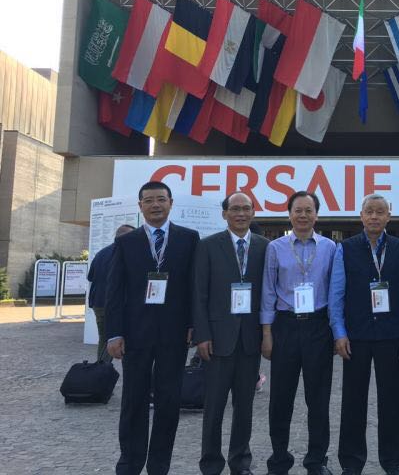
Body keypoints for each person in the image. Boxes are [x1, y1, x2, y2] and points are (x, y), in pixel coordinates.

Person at [106, 181, 200, 475]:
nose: (155, 205)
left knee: (168, 401)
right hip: (135, 334)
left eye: (161, 199)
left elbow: (194, 286)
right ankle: (129, 464)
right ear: (140, 206)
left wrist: (193, 324)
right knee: (133, 399)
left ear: (171, 203)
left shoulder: (189, 239)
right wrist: (114, 333)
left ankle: (159, 466)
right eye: (149, 200)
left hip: (175, 333)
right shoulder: (126, 242)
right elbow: (115, 291)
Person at [329, 194, 399, 475]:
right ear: (361, 216)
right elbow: (336, 294)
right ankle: (351, 462)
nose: (375, 216)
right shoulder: (345, 249)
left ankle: (392, 461)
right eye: (370, 211)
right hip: (355, 335)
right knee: (352, 400)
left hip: (391, 335)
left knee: (391, 400)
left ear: (389, 216)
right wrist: (339, 332)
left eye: (380, 212)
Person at [260, 191, 337, 475]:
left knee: (318, 398)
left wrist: (336, 330)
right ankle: (279, 458)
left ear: (317, 214)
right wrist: (267, 332)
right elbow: (268, 291)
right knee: (281, 398)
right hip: (285, 325)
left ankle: (316, 459)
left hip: (318, 325)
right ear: (289, 214)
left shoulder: (330, 247)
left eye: (308, 210)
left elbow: (335, 291)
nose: (303, 215)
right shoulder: (275, 247)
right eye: (298, 210)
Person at [193, 192, 268, 475]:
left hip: (250, 339)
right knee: (213, 407)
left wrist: (267, 334)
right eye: (235, 209)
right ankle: (211, 463)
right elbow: (199, 293)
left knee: (244, 407)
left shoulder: (264, 246)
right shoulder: (208, 246)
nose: (240, 214)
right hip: (217, 339)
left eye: (246, 208)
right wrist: (202, 335)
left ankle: (240, 462)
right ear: (224, 213)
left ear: (253, 212)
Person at [87, 223, 135, 362]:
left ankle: (101, 368)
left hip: (98, 303)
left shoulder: (101, 253)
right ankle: (104, 369)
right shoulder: (127, 254)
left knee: (105, 339)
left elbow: (90, 277)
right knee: (122, 338)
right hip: (117, 305)